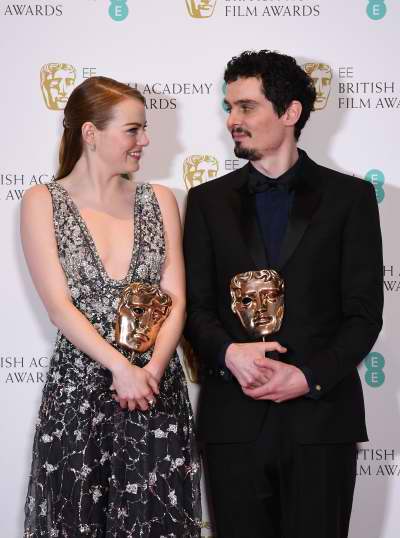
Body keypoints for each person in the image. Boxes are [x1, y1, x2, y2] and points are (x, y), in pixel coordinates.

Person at [183, 50, 383, 538]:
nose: (232, 120)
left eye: (247, 107)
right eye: (229, 107)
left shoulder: (351, 198)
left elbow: (363, 314)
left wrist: (309, 377)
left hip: (321, 421)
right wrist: (229, 353)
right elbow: (195, 307)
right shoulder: (207, 201)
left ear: (290, 112)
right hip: (233, 421)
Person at [22, 76, 201, 537]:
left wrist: (150, 372)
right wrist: (122, 369)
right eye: (133, 130)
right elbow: (59, 307)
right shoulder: (42, 202)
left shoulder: (160, 200)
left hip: (155, 394)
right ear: (90, 133)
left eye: (144, 129)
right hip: (79, 395)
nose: (145, 140)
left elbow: (176, 299)